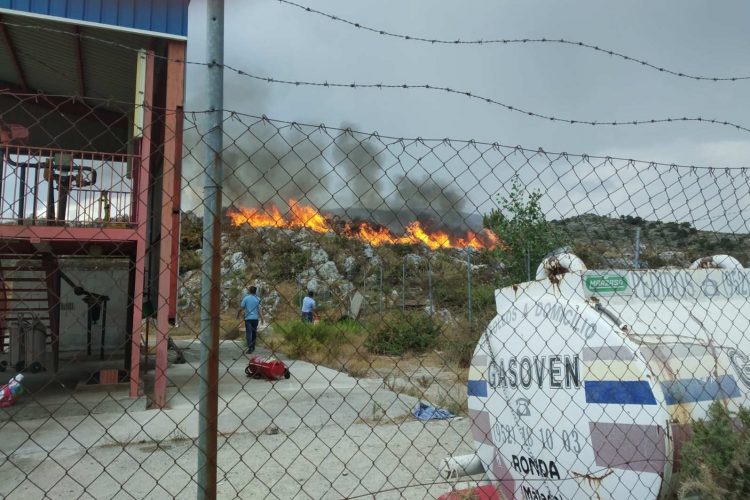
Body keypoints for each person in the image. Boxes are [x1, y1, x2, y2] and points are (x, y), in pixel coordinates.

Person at [238, 286, 263, 354]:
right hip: (255, 318)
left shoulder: (246, 298)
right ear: (255, 291)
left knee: (248, 333)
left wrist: (238, 315)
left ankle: (250, 347)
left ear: (249, 291)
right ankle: (253, 346)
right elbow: (260, 310)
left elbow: (242, 308)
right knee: (254, 332)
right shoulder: (258, 299)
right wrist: (262, 318)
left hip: (248, 318)